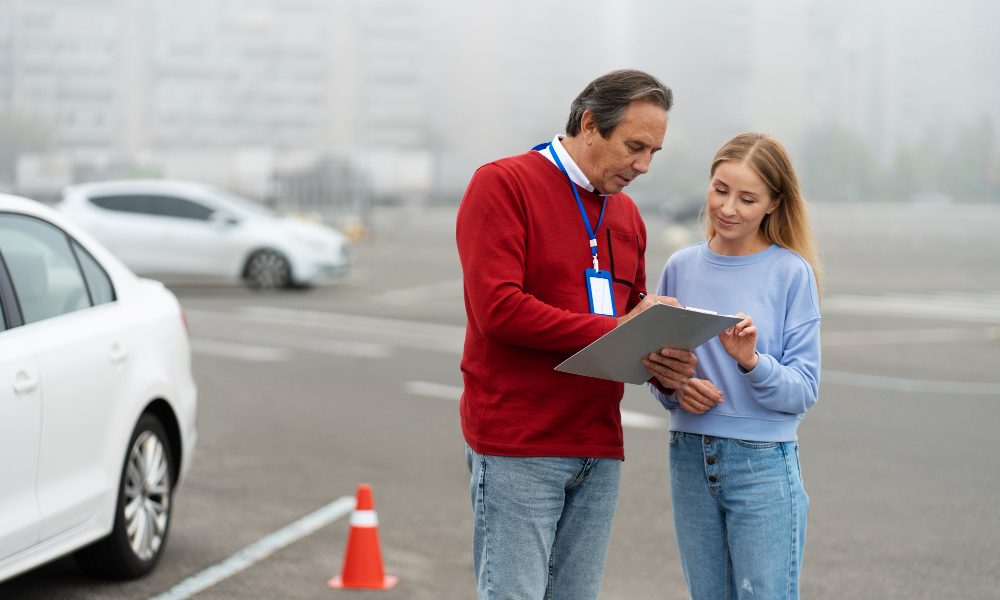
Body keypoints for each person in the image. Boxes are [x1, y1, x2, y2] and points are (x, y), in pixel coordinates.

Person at [455, 69, 697, 600]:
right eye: (635, 147)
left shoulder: (628, 213)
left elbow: (629, 319)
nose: (644, 166)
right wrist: (620, 326)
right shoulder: (503, 183)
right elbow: (498, 309)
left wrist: (667, 362)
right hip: (519, 442)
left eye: (654, 152)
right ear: (590, 124)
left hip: (598, 442)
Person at [644, 132, 822, 599]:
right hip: (689, 456)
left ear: (773, 203)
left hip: (762, 464)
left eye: (747, 198)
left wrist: (751, 363)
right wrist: (675, 388)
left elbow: (803, 391)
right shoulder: (680, 267)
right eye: (720, 190)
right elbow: (659, 371)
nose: (728, 208)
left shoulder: (791, 272)